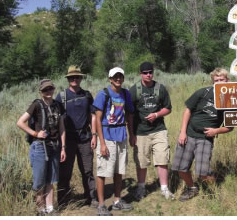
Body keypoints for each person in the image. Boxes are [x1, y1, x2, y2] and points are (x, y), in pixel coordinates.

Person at [171, 68, 233, 201]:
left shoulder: (230, 100)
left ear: (227, 80)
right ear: (213, 81)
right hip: (189, 134)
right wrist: (183, 132)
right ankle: (192, 188)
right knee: (181, 168)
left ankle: (213, 192)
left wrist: (215, 131)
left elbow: (230, 127)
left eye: (222, 80)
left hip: (206, 138)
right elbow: (187, 111)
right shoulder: (203, 93)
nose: (219, 82)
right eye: (216, 80)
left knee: (203, 172)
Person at [17, 79, 66, 215]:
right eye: (45, 89)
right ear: (41, 91)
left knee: (51, 180)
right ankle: (40, 209)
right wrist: (35, 133)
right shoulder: (36, 105)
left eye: (50, 88)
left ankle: (50, 208)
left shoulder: (58, 105)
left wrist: (63, 147)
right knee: (39, 181)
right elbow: (20, 122)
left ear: (53, 89)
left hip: (55, 146)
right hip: (39, 147)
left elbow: (62, 128)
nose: (48, 91)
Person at [92, 67, 135, 216]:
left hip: (121, 135)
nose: (118, 79)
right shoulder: (103, 94)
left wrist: (132, 135)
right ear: (110, 79)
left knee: (119, 170)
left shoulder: (125, 93)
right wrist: (101, 143)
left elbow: (129, 114)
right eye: (115, 77)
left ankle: (117, 200)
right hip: (107, 136)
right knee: (103, 171)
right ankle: (102, 205)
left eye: (120, 76)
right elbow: (97, 118)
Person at [129, 62, 174, 200]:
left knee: (162, 159)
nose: (148, 74)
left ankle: (164, 189)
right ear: (140, 74)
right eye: (145, 72)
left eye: (150, 72)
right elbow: (129, 114)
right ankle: (141, 188)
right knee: (141, 161)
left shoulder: (160, 88)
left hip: (159, 130)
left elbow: (168, 108)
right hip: (141, 131)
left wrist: (156, 115)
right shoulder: (134, 90)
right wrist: (131, 134)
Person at [55, 66, 98, 208]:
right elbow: (57, 120)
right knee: (65, 172)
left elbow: (93, 116)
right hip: (67, 140)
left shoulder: (87, 95)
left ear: (81, 78)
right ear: (68, 79)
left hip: (85, 137)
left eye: (77, 77)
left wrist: (94, 135)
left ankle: (91, 197)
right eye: (72, 77)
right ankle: (63, 201)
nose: (75, 79)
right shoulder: (61, 97)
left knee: (87, 170)